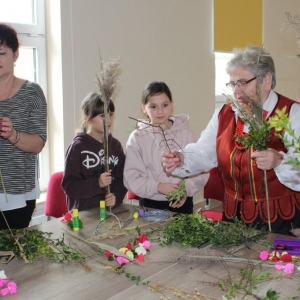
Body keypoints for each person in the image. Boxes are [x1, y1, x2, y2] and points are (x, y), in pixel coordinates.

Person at [162, 46, 300, 234]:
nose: (237, 91)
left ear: (266, 80)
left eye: (243, 82)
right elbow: (204, 153)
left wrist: (280, 161)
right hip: (233, 220)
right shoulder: (223, 114)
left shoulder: (292, 113)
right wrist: (183, 158)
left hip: (281, 222)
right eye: (233, 84)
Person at [124, 81, 209, 214]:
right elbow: (131, 178)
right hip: (150, 204)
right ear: (143, 108)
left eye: (165, 105)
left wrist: (185, 189)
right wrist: (158, 186)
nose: (160, 111)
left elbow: (202, 170)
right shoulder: (137, 138)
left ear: (171, 104)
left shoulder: (186, 133)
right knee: (152, 235)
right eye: (153, 106)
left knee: (182, 234)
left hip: (182, 201)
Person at [0, 23, 47, 229]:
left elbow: (38, 144)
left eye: (1, 52)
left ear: (16, 54)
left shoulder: (31, 92)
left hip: (17, 193)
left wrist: (12, 134)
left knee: (14, 254)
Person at [62, 92, 127, 211]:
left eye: (111, 114)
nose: (108, 119)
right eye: (102, 115)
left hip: (109, 213)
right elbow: (69, 186)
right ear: (88, 119)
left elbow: (121, 180)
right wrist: (97, 183)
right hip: (83, 215)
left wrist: (116, 197)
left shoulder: (115, 146)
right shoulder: (78, 147)